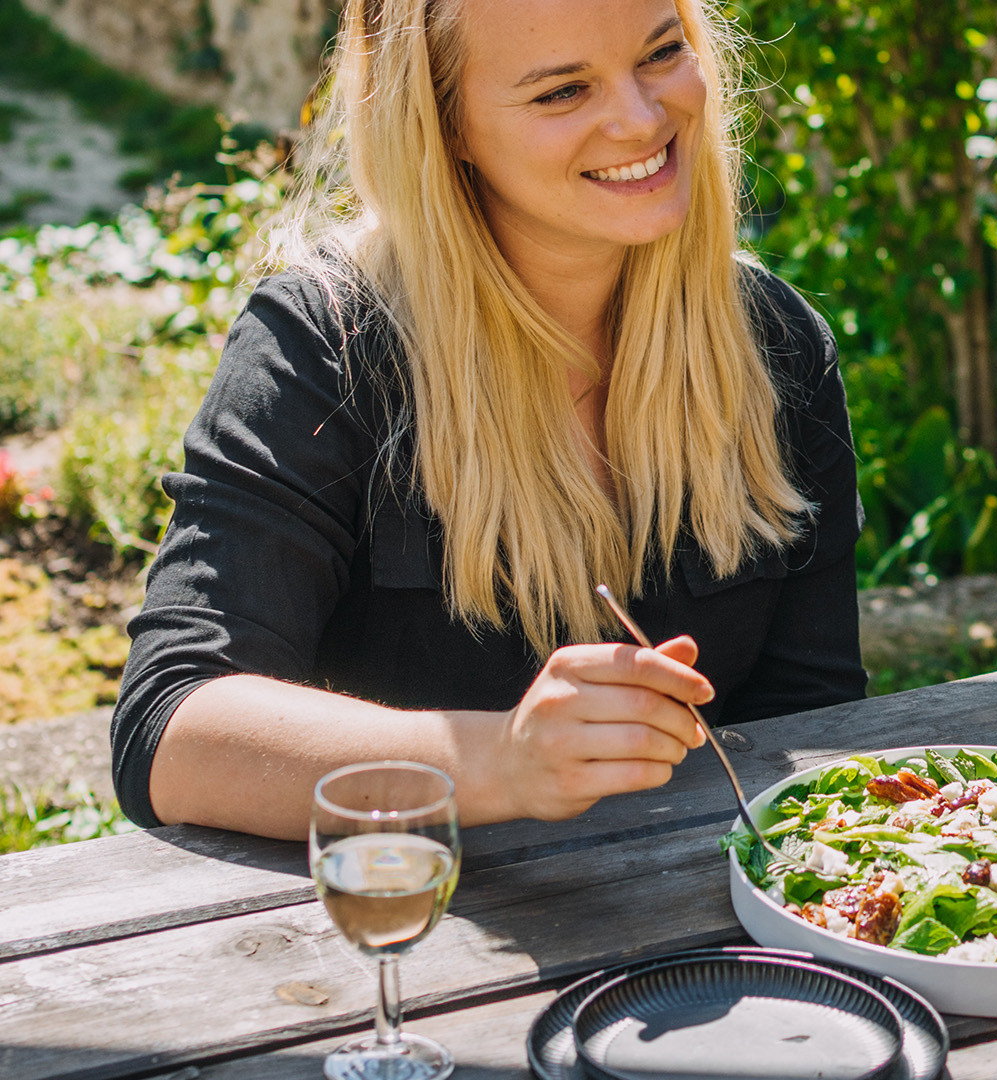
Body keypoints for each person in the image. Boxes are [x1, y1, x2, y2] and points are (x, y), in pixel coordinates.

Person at [109, 0, 866, 841]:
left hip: (708, 929)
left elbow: (814, 729)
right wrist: (505, 759)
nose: (643, 118)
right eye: (562, 92)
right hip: (415, 941)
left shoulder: (776, 344)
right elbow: (170, 729)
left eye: (661, 53)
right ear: (445, 124)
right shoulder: (328, 345)